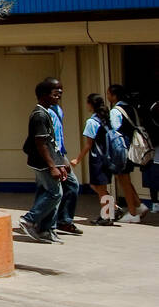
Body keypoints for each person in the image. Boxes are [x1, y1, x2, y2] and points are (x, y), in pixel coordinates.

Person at [19, 77, 67, 243]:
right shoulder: (39, 115)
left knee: (52, 193)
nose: (58, 96)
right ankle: (29, 219)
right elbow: (41, 144)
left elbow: (51, 143)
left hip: (50, 161)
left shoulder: (47, 112)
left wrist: (60, 164)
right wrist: (52, 166)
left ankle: (47, 229)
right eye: (55, 93)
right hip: (42, 162)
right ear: (44, 95)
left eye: (60, 93)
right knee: (55, 193)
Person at [78, 92, 123, 227]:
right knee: (98, 186)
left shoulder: (92, 122)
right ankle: (113, 208)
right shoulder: (106, 119)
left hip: (97, 158)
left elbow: (88, 144)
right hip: (108, 157)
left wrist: (77, 159)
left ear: (91, 104)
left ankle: (107, 216)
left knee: (99, 188)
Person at [107, 84, 149, 223]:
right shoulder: (131, 108)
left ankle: (132, 213)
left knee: (123, 180)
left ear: (114, 95)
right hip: (132, 148)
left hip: (121, 148)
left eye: (109, 93)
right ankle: (139, 205)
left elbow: (114, 131)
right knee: (125, 179)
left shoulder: (116, 110)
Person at [45, 79, 80, 234]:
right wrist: (57, 162)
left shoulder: (58, 110)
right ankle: (41, 221)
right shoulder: (46, 113)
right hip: (55, 157)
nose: (59, 93)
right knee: (58, 190)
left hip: (61, 154)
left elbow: (59, 136)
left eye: (61, 90)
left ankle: (61, 221)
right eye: (55, 90)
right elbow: (48, 139)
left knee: (69, 187)